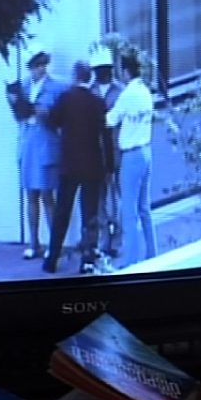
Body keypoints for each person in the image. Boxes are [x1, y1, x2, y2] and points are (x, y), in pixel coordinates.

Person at [43, 61, 112, 275]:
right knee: (90, 214)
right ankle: (88, 259)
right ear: (89, 78)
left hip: (69, 164)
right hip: (92, 165)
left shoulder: (66, 98)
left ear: (75, 76)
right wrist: (110, 166)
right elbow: (106, 137)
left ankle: (52, 258)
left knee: (62, 212)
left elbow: (52, 120)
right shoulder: (98, 102)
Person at [6, 46, 66, 259]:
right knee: (30, 195)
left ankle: (54, 245)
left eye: (42, 64)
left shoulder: (58, 86)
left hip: (46, 144)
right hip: (27, 144)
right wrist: (15, 104)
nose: (39, 69)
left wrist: (46, 113)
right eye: (35, 65)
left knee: (48, 195)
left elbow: (61, 117)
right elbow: (18, 116)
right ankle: (34, 243)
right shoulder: (22, 86)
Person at [106, 54, 157, 269]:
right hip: (146, 151)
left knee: (129, 210)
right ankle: (152, 253)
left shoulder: (127, 94)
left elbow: (110, 120)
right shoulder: (145, 92)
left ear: (126, 72)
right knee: (144, 207)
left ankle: (131, 261)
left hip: (131, 155)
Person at [88, 48, 124, 260]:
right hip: (96, 153)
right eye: (98, 70)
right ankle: (103, 240)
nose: (102, 73)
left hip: (117, 151)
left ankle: (119, 239)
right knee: (99, 199)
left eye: (105, 69)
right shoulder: (90, 91)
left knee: (119, 198)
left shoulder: (121, 91)